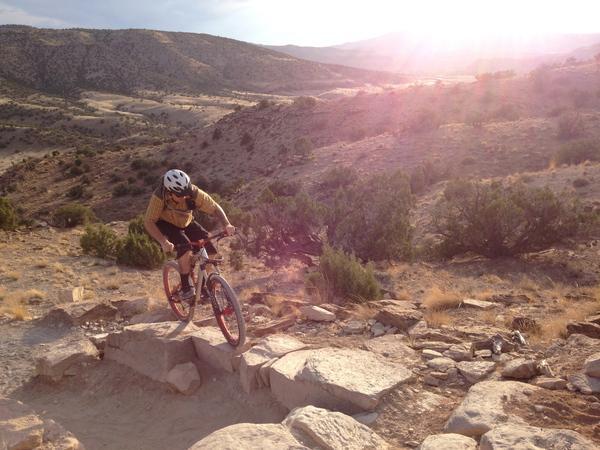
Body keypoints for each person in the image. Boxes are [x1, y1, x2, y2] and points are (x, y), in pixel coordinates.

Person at [144, 169, 235, 300]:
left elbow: (214, 207)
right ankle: (186, 288)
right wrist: (163, 242)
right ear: (170, 193)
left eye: (186, 193)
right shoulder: (159, 196)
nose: (185, 197)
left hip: (186, 222)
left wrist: (227, 224)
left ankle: (202, 286)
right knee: (185, 247)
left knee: (210, 250)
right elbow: (149, 221)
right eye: (180, 195)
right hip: (166, 224)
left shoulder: (192, 192)